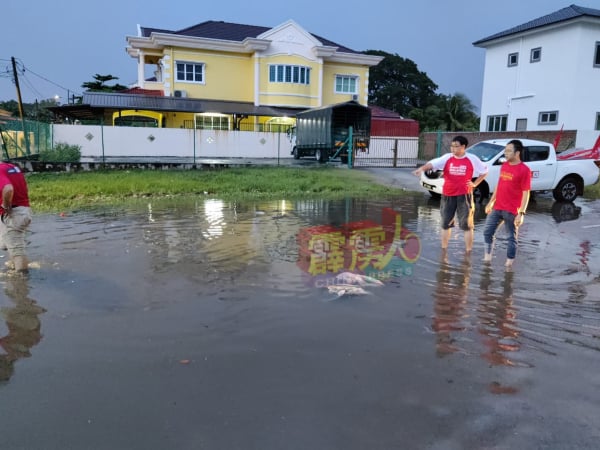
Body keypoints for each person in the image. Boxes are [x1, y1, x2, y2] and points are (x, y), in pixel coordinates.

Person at [413, 136, 488, 252]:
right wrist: (421, 169)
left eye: (456, 146)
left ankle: (468, 252)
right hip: (448, 194)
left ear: (463, 147)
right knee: (445, 223)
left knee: (467, 225)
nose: (453, 149)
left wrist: (475, 184)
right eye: (452, 146)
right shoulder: (447, 158)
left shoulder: (472, 159)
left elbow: (484, 171)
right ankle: (444, 250)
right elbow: (432, 164)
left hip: (464, 195)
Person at [483, 139, 531, 267]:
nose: (505, 153)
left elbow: (526, 192)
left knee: (511, 238)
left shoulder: (524, 170)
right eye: (505, 150)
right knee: (487, 232)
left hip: (512, 210)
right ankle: (487, 259)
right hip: (498, 207)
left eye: (509, 151)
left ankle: (508, 265)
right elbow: (500, 184)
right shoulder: (504, 166)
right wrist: (491, 202)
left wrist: (521, 213)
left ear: (517, 153)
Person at [0, 161, 32, 273]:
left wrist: (5, 205)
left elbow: (8, 188)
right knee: (7, 243)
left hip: (13, 213)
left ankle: (21, 282)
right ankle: (14, 263)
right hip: (22, 211)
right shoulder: (11, 167)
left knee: (17, 251)